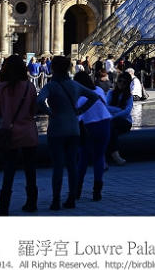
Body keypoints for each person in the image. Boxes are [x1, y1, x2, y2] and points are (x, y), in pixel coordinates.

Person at [37, 55, 103, 210]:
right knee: (72, 165)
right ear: (68, 68)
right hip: (73, 128)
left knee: (58, 166)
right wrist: (80, 110)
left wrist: (49, 112)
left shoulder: (51, 86)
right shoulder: (74, 85)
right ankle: (71, 198)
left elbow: (39, 101)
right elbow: (94, 96)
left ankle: (55, 200)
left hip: (56, 128)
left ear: (53, 68)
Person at [0, 54, 39, 215]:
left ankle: (3, 207)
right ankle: (32, 203)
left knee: (9, 171)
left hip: (9, 134)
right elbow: (34, 111)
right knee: (30, 170)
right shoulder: (30, 87)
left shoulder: (1, 88)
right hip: (28, 133)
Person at [73, 71, 112, 202]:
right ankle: (97, 192)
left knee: (83, 158)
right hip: (105, 123)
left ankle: (77, 190)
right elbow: (104, 104)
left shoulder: (79, 97)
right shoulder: (99, 90)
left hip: (89, 127)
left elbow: (77, 116)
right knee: (99, 157)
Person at [106, 72, 134, 166]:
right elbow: (105, 106)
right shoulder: (111, 93)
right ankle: (115, 155)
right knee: (112, 129)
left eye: (124, 82)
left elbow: (127, 112)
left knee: (111, 126)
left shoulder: (129, 96)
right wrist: (119, 109)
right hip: (112, 122)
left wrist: (113, 116)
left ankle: (106, 156)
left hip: (125, 122)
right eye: (119, 81)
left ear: (128, 84)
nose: (121, 84)